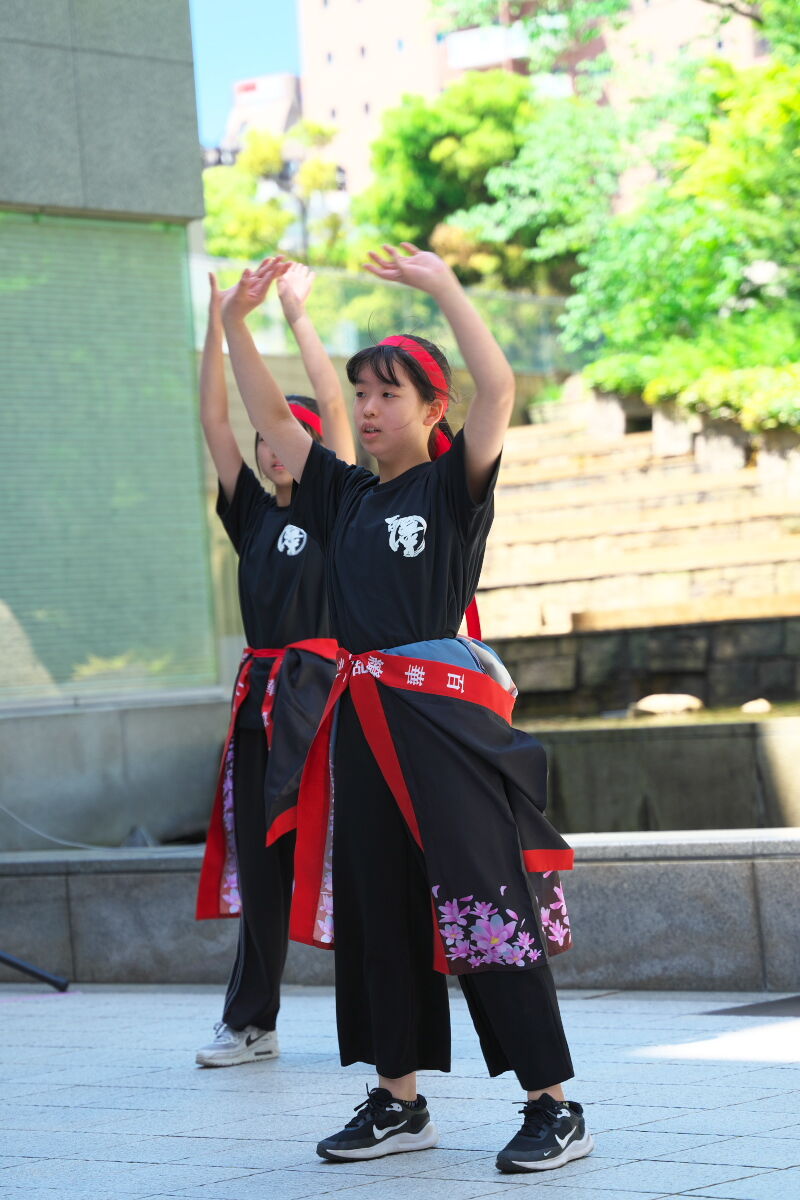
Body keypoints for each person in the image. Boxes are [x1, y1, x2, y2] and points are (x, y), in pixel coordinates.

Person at [220, 247, 594, 1174]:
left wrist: (443, 287)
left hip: (444, 728)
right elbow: (269, 418)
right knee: (379, 908)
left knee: (483, 902)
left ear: (433, 410)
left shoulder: (453, 487)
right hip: (358, 722)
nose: (370, 408)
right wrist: (235, 323)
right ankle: (399, 1100)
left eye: (389, 393)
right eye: (361, 393)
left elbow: (499, 388)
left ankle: (554, 1106)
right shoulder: (341, 493)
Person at [194, 262, 354, 1068]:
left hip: (326, 704)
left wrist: (295, 315)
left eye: (287, 433)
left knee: (352, 857)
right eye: (266, 435)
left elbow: (333, 406)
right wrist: (219, 320)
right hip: (260, 702)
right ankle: (251, 1021)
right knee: (261, 863)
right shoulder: (252, 515)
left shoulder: (339, 505)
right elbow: (214, 419)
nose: (271, 444)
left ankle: (391, 1022)